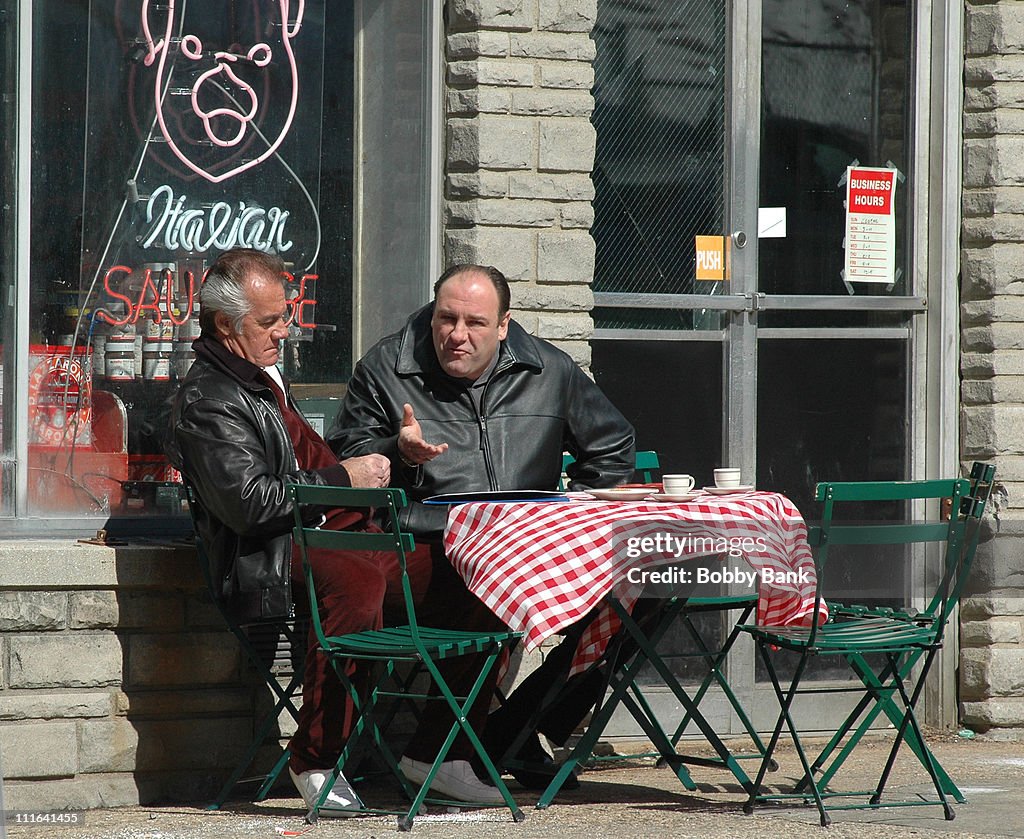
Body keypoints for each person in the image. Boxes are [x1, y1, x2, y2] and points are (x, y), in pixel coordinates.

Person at [166, 248, 509, 815]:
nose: (286, 331)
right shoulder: (210, 398)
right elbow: (252, 507)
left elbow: (319, 465)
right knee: (353, 576)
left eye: (284, 315)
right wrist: (343, 477)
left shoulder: (257, 377)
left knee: (482, 570)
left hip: (333, 535)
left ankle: (435, 753)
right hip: (269, 556)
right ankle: (316, 757)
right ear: (226, 324)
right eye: (270, 321)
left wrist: (391, 455)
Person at [327, 263, 636, 785]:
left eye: (474, 322)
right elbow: (344, 461)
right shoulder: (385, 366)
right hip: (428, 547)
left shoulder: (548, 369)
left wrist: (571, 515)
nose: (457, 335)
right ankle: (437, 753)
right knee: (492, 584)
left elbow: (612, 446)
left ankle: (515, 729)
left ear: (504, 324)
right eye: (446, 319)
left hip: (530, 548)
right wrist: (397, 452)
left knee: (647, 587)